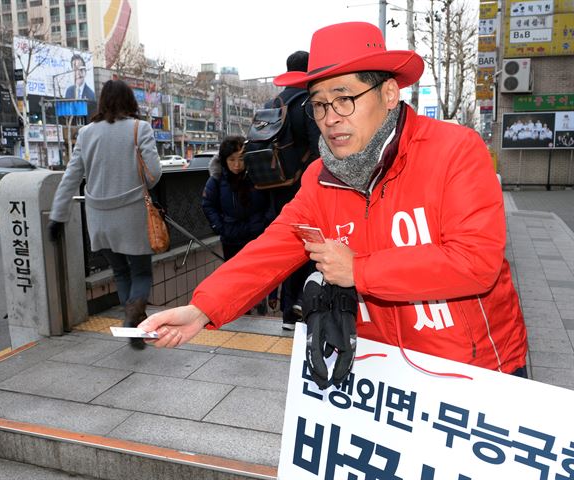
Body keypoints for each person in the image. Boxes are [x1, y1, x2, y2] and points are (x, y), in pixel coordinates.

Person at [140, 22, 528, 377]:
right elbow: (272, 249)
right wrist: (202, 309)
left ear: (389, 93)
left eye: (344, 98)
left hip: (476, 368)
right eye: (320, 104)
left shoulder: (455, 150)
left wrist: (360, 270)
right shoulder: (319, 179)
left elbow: (476, 262)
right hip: (381, 367)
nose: (330, 118)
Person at [48, 79, 161, 349]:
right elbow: (154, 174)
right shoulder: (139, 128)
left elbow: (71, 177)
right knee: (142, 272)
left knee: (121, 272)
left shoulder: (86, 133)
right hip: (132, 215)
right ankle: (134, 316)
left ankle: (133, 323)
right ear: (130, 102)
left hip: (99, 219)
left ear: (102, 102)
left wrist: (57, 216)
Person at [267, 50, 321, 330]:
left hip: (274, 186)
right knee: (313, 247)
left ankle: (289, 313)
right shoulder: (308, 103)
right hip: (302, 188)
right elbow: (319, 148)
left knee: (288, 248)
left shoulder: (273, 102)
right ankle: (303, 303)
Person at [202, 135, 276, 313]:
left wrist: (264, 223)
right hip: (231, 237)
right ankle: (243, 310)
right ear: (224, 160)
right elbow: (207, 204)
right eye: (231, 160)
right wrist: (220, 227)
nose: (236, 165)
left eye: (241, 159)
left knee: (258, 274)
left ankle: (260, 303)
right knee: (236, 277)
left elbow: (272, 201)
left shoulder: (258, 175)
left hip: (256, 235)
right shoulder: (217, 180)